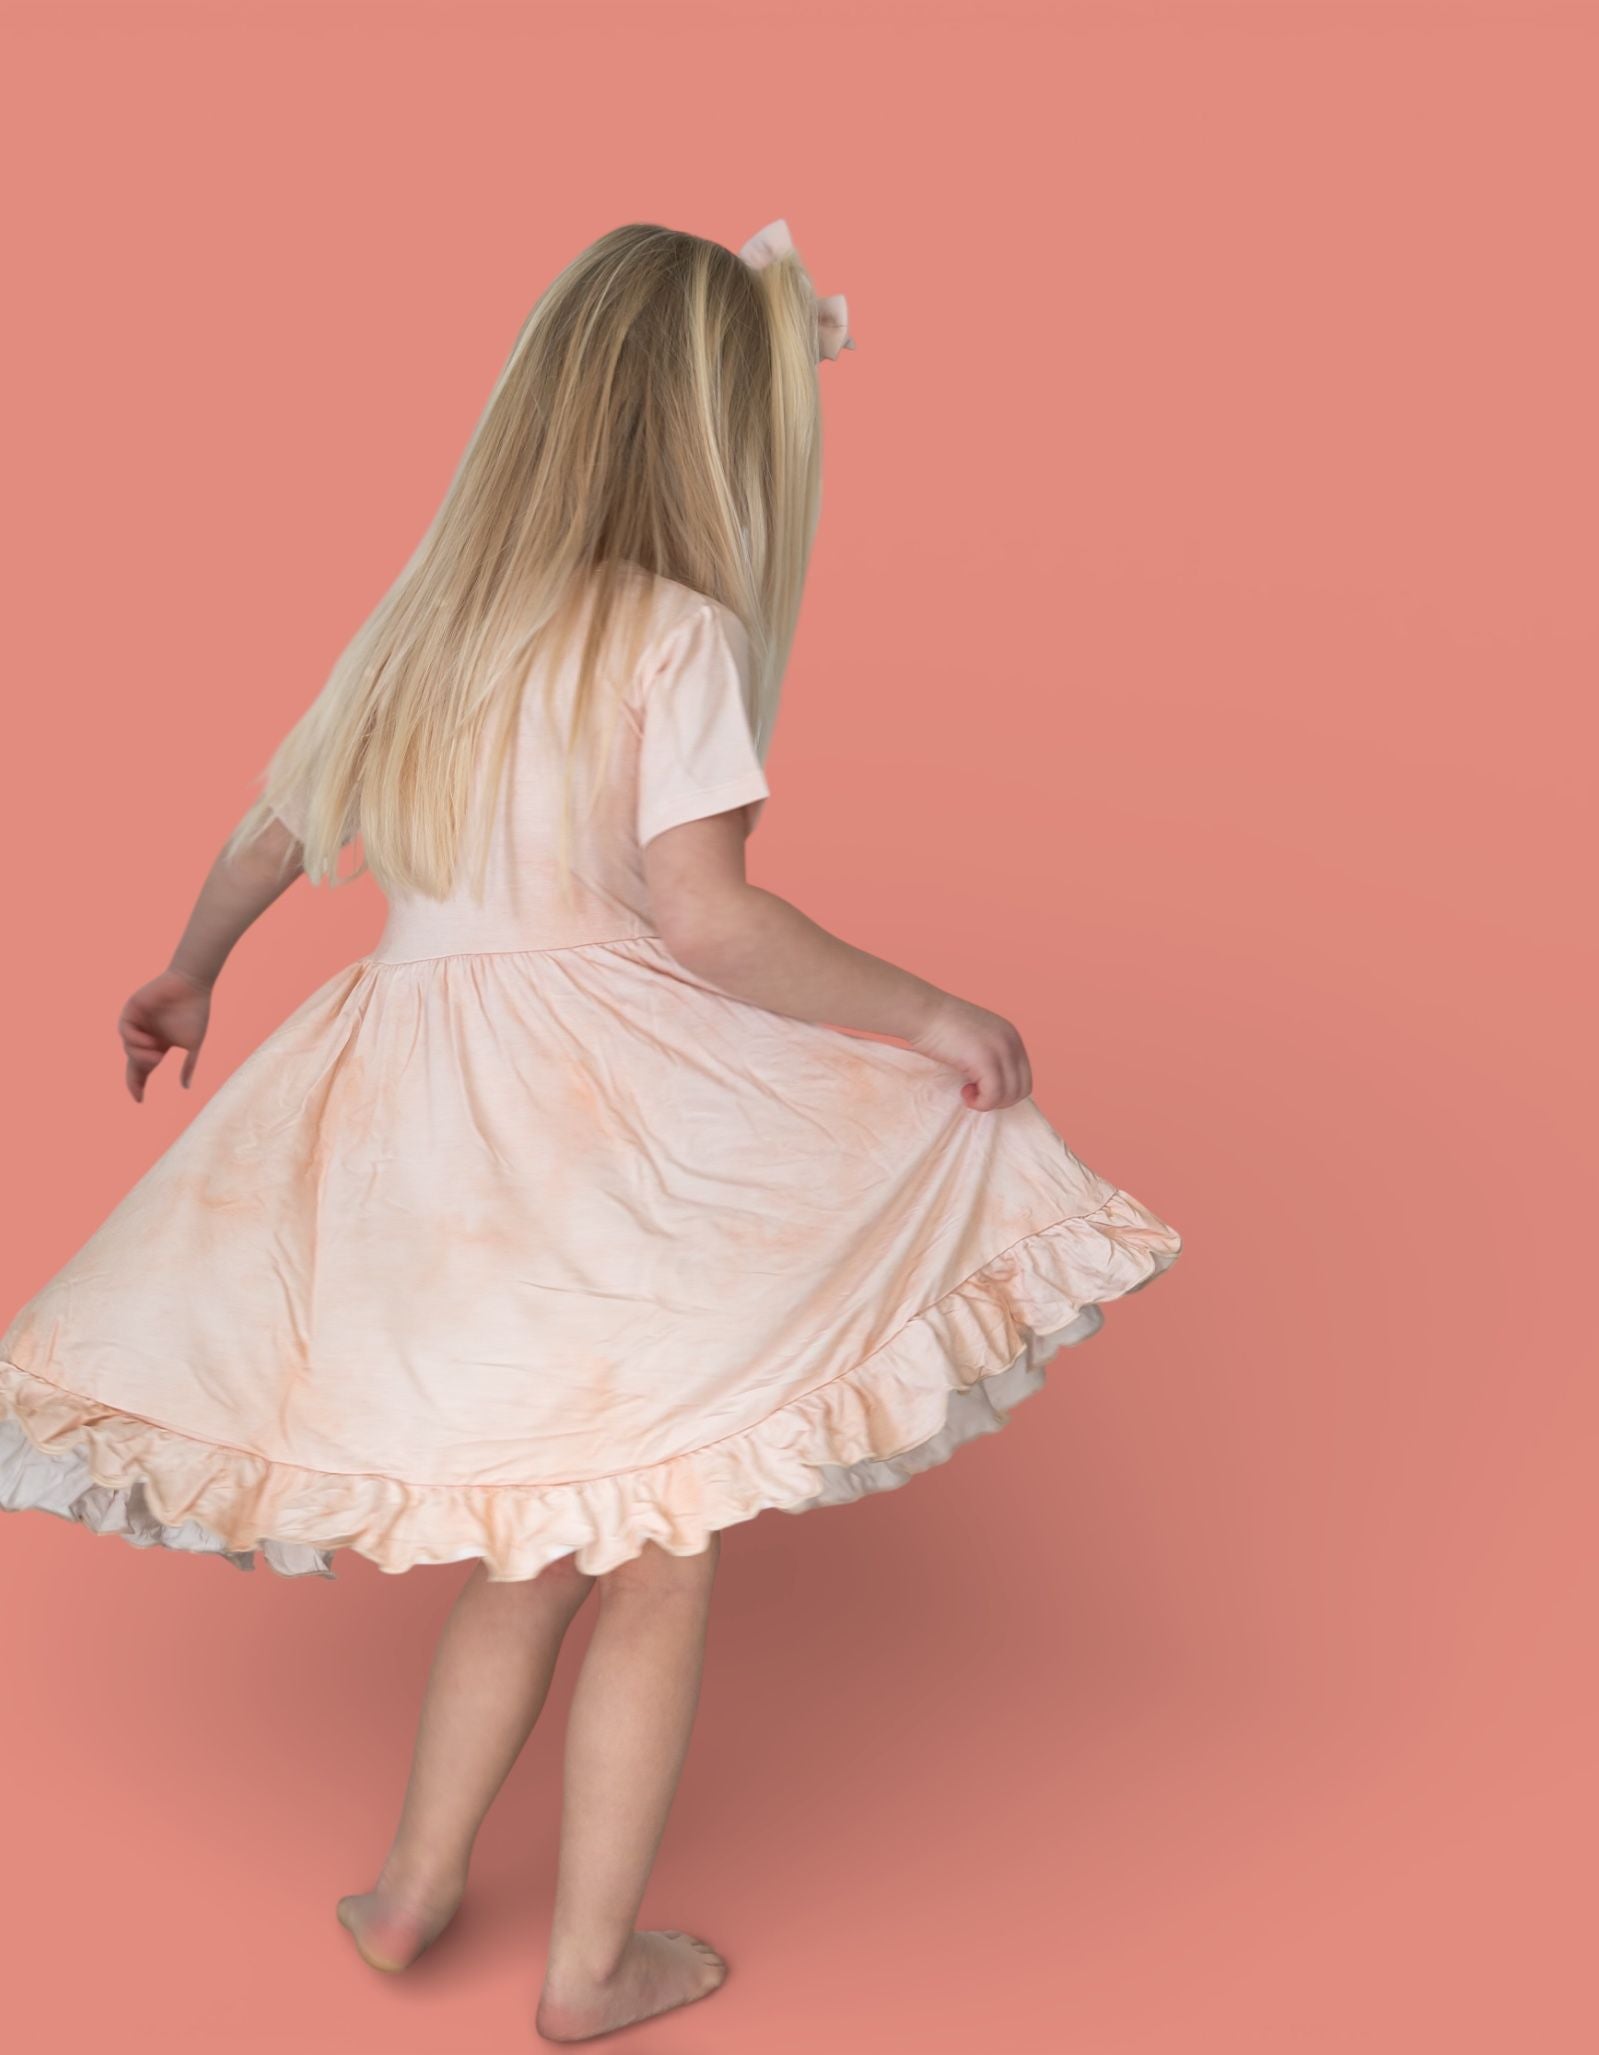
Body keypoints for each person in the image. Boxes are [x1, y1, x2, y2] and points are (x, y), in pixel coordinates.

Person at [0, 218, 1182, 2041]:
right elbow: (704, 920)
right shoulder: (676, 631)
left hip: (412, 1117)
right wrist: (930, 1013)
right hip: (590, 1115)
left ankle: (411, 1894)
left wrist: (188, 970)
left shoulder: (432, 620)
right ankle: (588, 1967)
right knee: (663, 1540)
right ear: (723, 435)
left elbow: (275, 822)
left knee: (543, 1529)